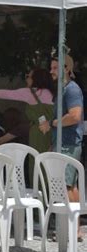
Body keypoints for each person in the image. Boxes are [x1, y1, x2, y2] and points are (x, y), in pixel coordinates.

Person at [39, 54, 84, 240]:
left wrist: (53, 123)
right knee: (70, 185)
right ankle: (73, 229)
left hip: (68, 144)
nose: (51, 71)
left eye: (55, 68)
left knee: (66, 186)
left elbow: (75, 116)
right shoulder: (63, 89)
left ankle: (72, 230)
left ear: (66, 68)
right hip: (63, 143)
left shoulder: (71, 90)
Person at [0, 68, 55, 155]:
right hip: (55, 132)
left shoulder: (31, 93)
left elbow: (4, 94)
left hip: (39, 134)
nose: (26, 79)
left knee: (37, 160)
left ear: (36, 79)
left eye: (28, 76)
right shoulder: (54, 93)